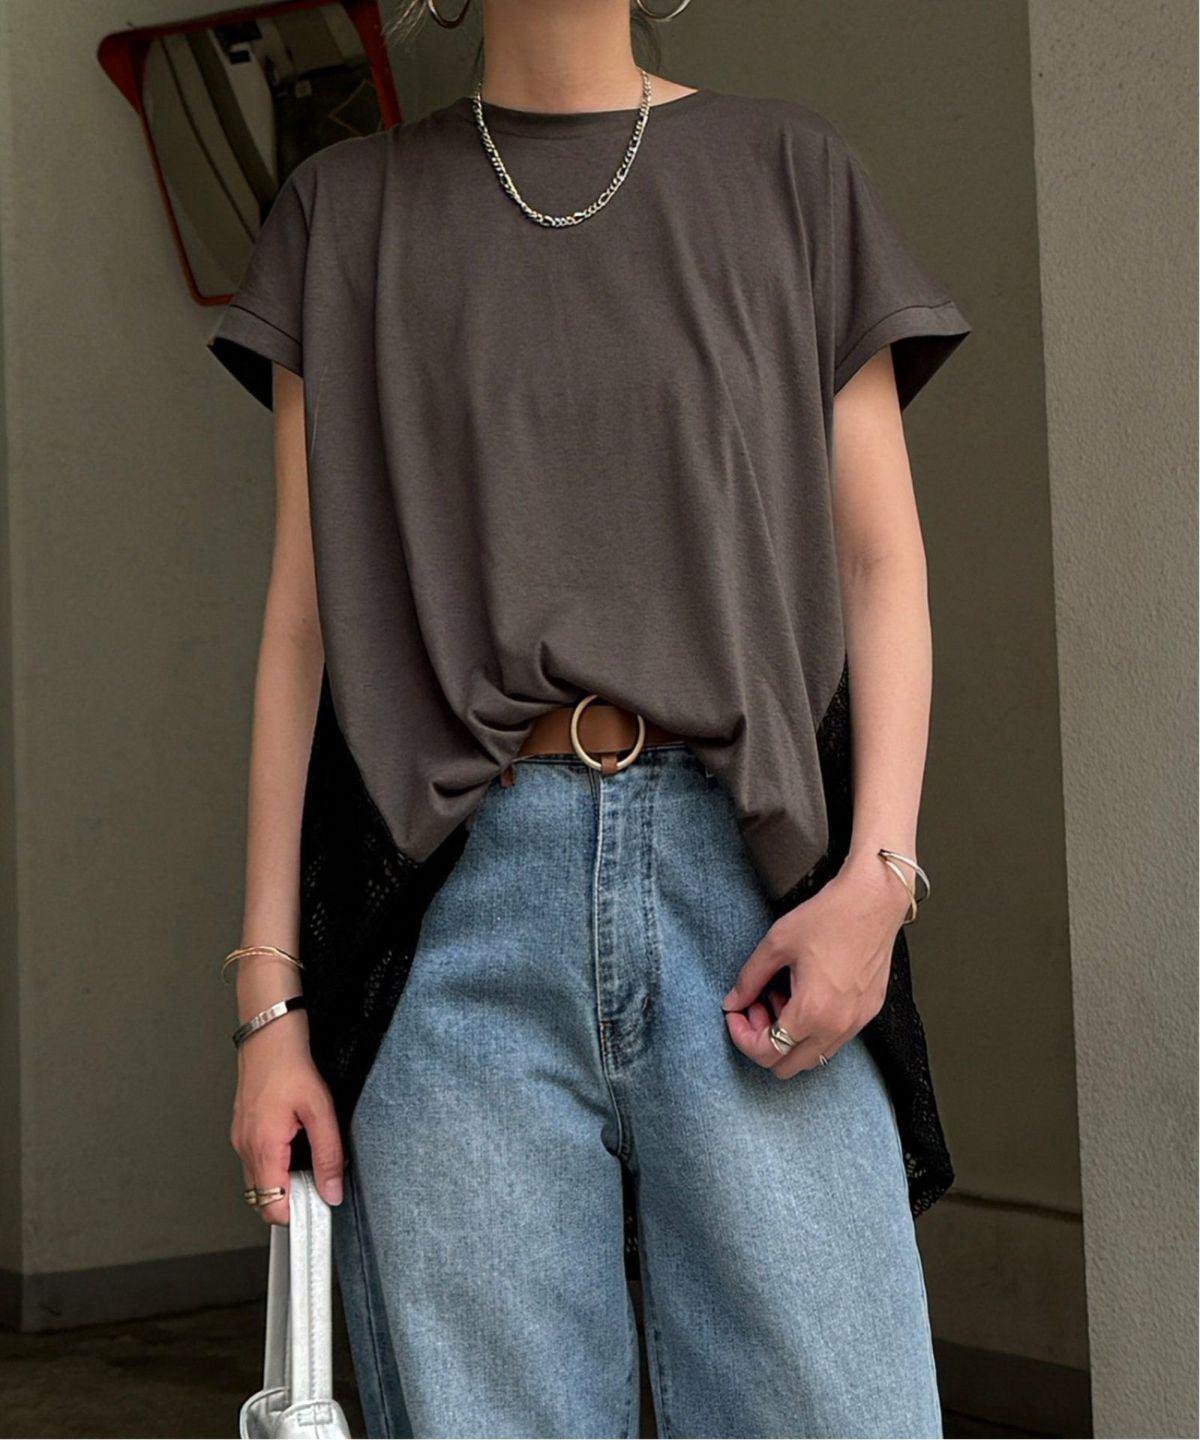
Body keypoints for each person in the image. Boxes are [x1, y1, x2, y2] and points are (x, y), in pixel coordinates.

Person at [209, 1, 972, 1435]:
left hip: (752, 902)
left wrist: (881, 876)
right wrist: (270, 1004)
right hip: (456, 919)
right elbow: (304, 628)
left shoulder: (791, 175)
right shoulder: (342, 214)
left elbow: (883, 565)